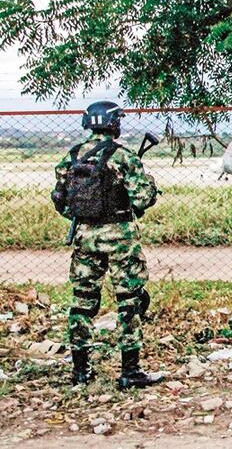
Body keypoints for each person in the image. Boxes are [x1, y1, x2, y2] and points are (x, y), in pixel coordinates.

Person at [51, 101, 162, 388]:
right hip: (121, 239)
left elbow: (61, 201)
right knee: (130, 301)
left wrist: (87, 219)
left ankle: (80, 372)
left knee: (82, 302)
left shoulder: (73, 156)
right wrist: (147, 184)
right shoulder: (123, 157)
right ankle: (130, 371)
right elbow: (142, 199)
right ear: (114, 124)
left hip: (85, 238)